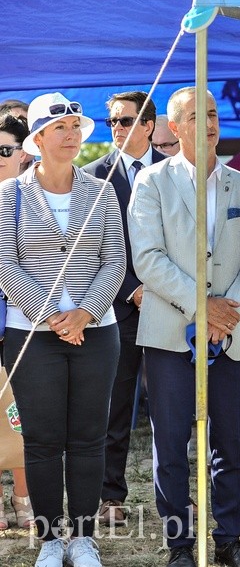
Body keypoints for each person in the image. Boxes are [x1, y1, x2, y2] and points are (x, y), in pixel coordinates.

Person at [127, 86, 240, 567]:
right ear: (174, 126)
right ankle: (179, 545)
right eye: (195, 116)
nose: (208, 123)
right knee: (170, 445)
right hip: (170, 334)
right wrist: (201, 307)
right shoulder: (151, 183)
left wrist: (226, 313)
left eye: (213, 114)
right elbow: (147, 258)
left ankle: (229, 539)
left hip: (230, 334)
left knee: (230, 442)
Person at [0, 92, 125, 567]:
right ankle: (52, 539)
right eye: (61, 128)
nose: (72, 135)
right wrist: (52, 312)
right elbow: (5, 264)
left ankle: (84, 537)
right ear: (38, 138)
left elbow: (115, 260)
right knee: (44, 438)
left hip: (97, 330)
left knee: (90, 437)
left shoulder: (103, 189)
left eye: (76, 126)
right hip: (32, 332)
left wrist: (86, 313)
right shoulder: (9, 194)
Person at [82, 90, 167, 528]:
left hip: (172, 308)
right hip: (118, 309)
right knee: (114, 409)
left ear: (149, 125)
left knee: (171, 411)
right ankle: (110, 495)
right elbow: (91, 253)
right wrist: (132, 290)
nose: (115, 127)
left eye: (124, 120)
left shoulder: (175, 172)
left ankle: (173, 498)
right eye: (111, 120)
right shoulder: (92, 178)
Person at [0, 113, 35, 532]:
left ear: (23, 154)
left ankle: (23, 494)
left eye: (4, 150)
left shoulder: (34, 198)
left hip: (24, 322)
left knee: (21, 413)